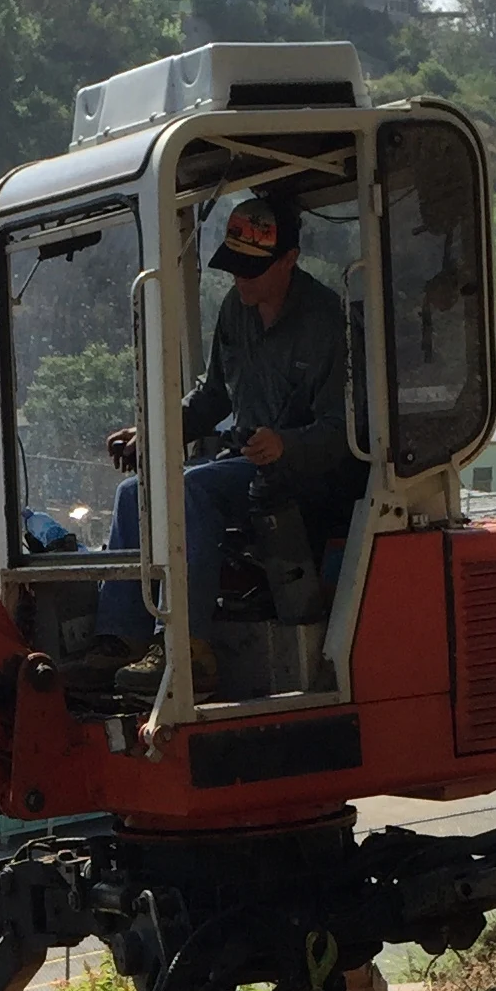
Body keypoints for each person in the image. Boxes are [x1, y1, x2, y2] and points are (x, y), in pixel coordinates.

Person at [86, 188, 351, 700]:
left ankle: (187, 651)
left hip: (303, 477)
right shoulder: (236, 310)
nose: (239, 278)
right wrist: (154, 430)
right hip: (246, 464)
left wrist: (286, 444)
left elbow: (342, 431)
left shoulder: (326, 322)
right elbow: (211, 398)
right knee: (133, 494)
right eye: (233, 267)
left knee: (193, 490)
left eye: (251, 269)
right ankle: (119, 638)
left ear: (290, 260)